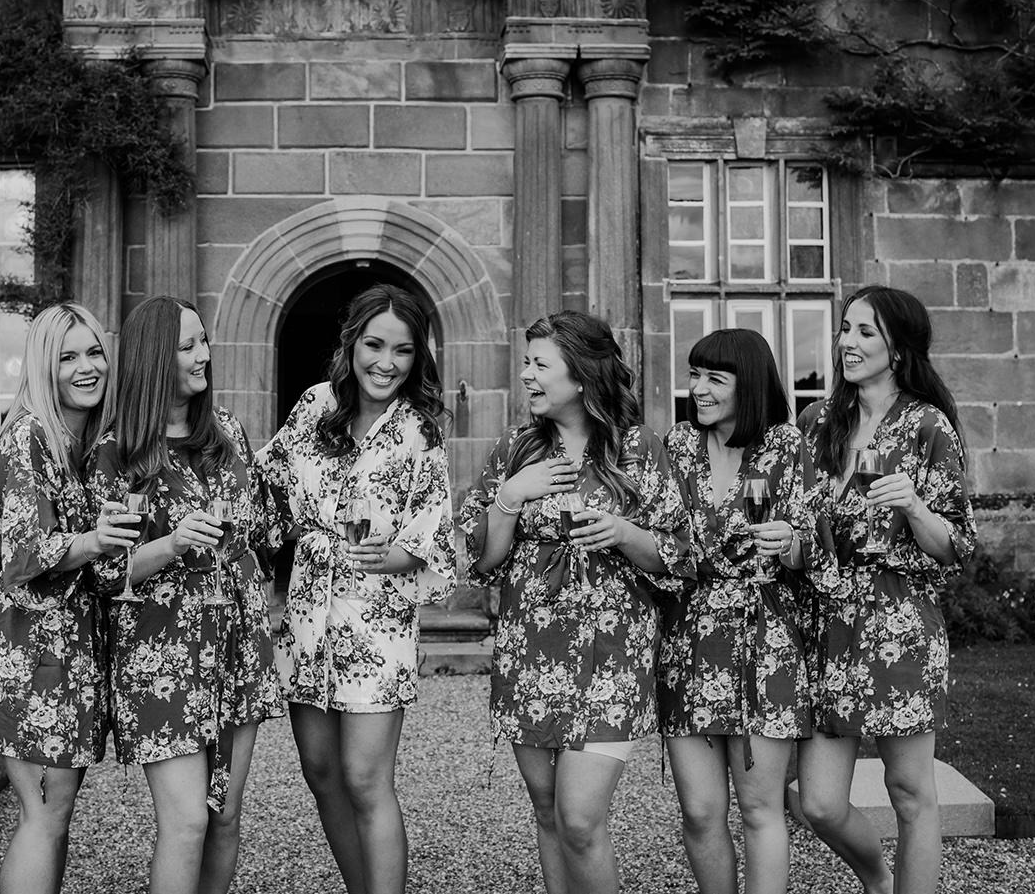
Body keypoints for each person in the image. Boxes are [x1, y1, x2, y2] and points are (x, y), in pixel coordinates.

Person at [459, 310, 688, 894]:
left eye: (541, 364)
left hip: (611, 654)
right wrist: (510, 497)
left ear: (582, 376)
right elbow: (479, 560)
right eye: (526, 363)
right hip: (529, 652)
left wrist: (623, 533)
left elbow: (680, 554)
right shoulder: (514, 448)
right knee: (548, 814)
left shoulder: (640, 450)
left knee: (581, 819)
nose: (528, 375)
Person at [257, 283, 456, 894]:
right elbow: (263, 483)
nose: (386, 363)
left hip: (376, 620)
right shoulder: (316, 405)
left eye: (402, 351)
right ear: (351, 344)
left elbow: (440, 536)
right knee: (320, 773)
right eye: (374, 344)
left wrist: (403, 553)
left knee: (366, 778)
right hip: (307, 615)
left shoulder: (420, 431)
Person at [91, 296, 283, 894]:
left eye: (205, 341)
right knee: (187, 821)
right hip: (162, 656)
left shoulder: (228, 433)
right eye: (188, 345)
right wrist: (172, 544)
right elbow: (106, 573)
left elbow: (267, 530)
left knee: (225, 817)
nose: (205, 355)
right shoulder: (116, 452)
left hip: (238, 649)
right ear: (153, 358)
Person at [796, 285, 975, 894]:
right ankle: (877, 876)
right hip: (826, 626)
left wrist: (916, 506)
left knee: (910, 792)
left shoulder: (928, 426)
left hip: (898, 623)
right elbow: (803, 523)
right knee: (818, 802)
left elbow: (957, 544)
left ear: (898, 348)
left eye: (865, 332)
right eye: (845, 329)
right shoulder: (818, 421)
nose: (847, 342)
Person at [0, 303, 141, 894]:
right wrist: (94, 540)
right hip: (30, 644)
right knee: (43, 811)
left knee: (56, 809)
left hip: (71, 642)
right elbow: (21, 552)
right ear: (44, 366)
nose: (87, 367)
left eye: (94, 352)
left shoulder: (83, 441)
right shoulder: (28, 438)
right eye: (68, 357)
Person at [658, 329, 814, 894]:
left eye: (713, 379)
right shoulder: (676, 446)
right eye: (694, 374)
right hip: (687, 643)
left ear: (746, 386)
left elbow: (814, 542)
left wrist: (790, 542)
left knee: (759, 809)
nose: (697, 388)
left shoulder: (787, 446)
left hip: (763, 641)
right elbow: (659, 538)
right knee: (700, 811)